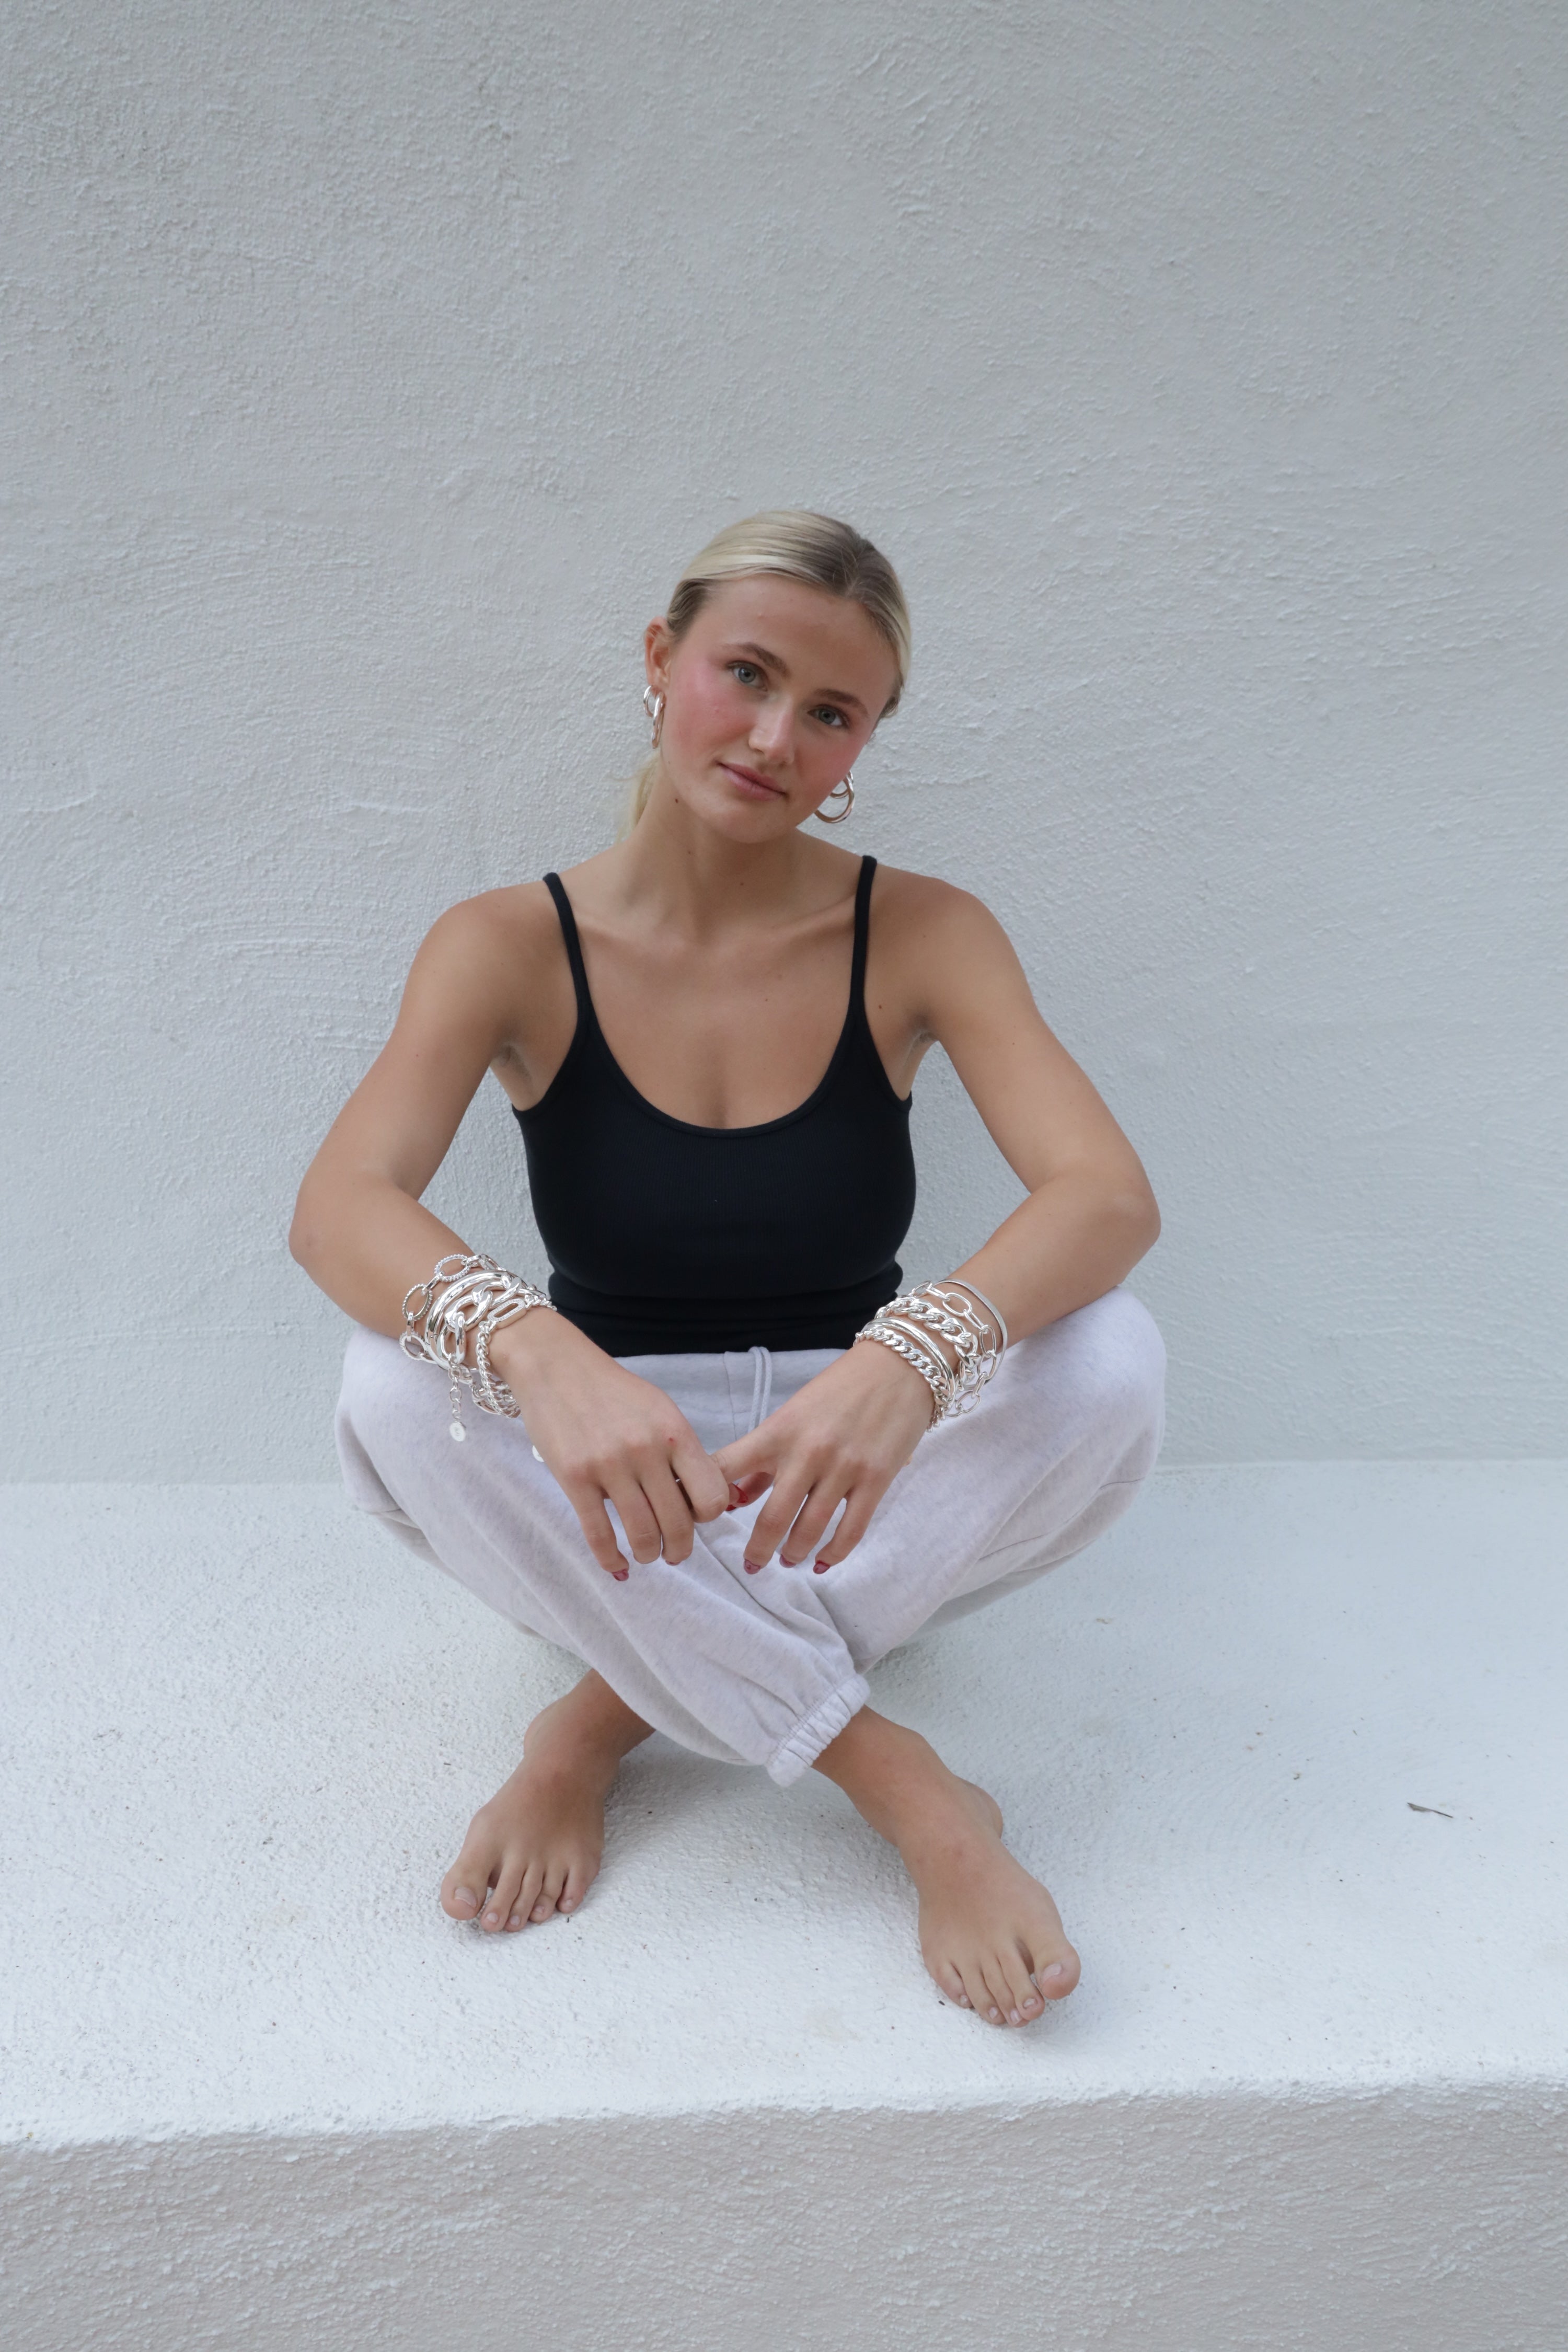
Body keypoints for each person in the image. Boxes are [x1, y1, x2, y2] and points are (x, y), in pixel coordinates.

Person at [291, 511, 1164, 2030]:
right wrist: (542, 1358)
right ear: (660, 657)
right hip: (609, 1474)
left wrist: (913, 1361)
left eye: (831, 711)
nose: (774, 738)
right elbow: (339, 1206)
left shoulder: (924, 931)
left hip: (852, 1465)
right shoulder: (507, 942)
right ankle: (908, 1791)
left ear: (864, 743)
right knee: (387, 1381)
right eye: (745, 674)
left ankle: (595, 1721)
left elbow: (1105, 1195)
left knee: (1114, 1355)